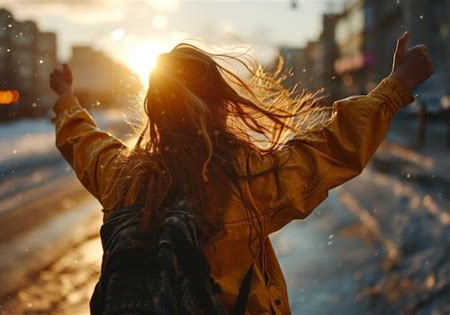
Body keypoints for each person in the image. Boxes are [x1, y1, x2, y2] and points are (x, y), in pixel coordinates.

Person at [49, 32, 433, 314]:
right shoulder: (245, 181)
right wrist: (396, 86)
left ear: (155, 112)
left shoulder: (123, 177)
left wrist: (67, 99)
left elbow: (86, 144)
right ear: (219, 105)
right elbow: (334, 146)